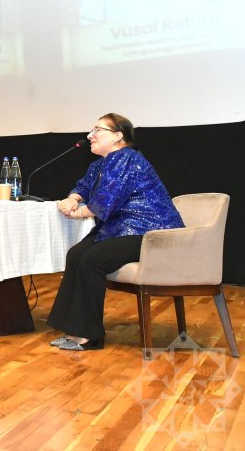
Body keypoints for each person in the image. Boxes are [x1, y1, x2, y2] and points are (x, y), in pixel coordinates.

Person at [47, 113, 184, 351]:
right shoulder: (99, 164)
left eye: (97, 130)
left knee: (92, 260)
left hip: (149, 231)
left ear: (118, 136)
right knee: (76, 254)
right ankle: (74, 329)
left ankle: (90, 336)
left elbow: (105, 201)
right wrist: (73, 198)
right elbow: (83, 187)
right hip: (119, 229)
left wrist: (78, 213)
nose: (90, 135)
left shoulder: (126, 157)